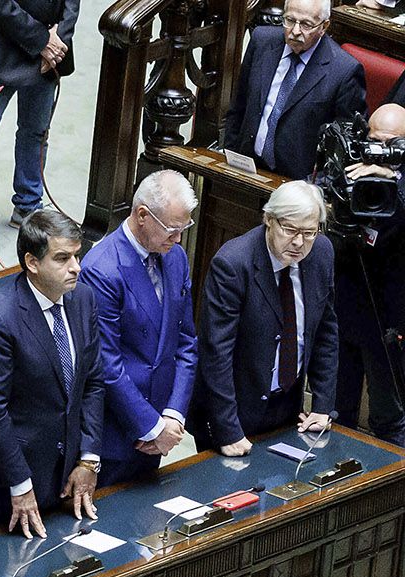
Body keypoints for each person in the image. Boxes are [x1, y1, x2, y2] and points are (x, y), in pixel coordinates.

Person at [0, 209, 105, 538]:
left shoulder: (82, 299)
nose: (76, 267)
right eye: (62, 258)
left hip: (66, 478)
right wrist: (20, 484)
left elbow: (93, 382)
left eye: (77, 255)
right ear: (32, 262)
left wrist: (88, 459)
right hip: (7, 488)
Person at [195, 181, 339, 454]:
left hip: (287, 408)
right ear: (268, 220)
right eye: (290, 230)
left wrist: (322, 406)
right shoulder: (233, 264)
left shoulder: (321, 252)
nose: (299, 243)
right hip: (234, 410)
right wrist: (228, 431)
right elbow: (216, 352)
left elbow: (325, 331)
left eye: (309, 232)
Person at [81, 171, 199, 485]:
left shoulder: (175, 258)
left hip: (161, 424)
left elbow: (186, 341)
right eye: (172, 230)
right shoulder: (102, 270)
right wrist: (151, 427)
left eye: (184, 228)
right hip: (120, 433)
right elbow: (107, 364)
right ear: (143, 215)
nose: (178, 240)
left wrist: (174, 413)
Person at [0, 0, 81, 229]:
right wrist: (41, 40)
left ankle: (28, 205)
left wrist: (59, 40)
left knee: (36, 135)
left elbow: (71, 3)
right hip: (2, 46)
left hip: (48, 54)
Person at [221, 0, 366, 179]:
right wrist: (230, 155)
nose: (295, 31)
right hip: (245, 168)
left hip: (298, 185)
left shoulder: (344, 71)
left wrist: (315, 186)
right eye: (289, 20)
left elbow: (345, 146)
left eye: (306, 24)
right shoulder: (261, 41)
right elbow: (239, 107)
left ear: (324, 26)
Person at [331, 103, 405, 446]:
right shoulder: (351, 164)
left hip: (390, 316)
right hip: (348, 299)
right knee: (335, 408)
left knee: (389, 418)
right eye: (375, 141)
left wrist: (398, 188)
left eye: (391, 145)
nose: (380, 153)